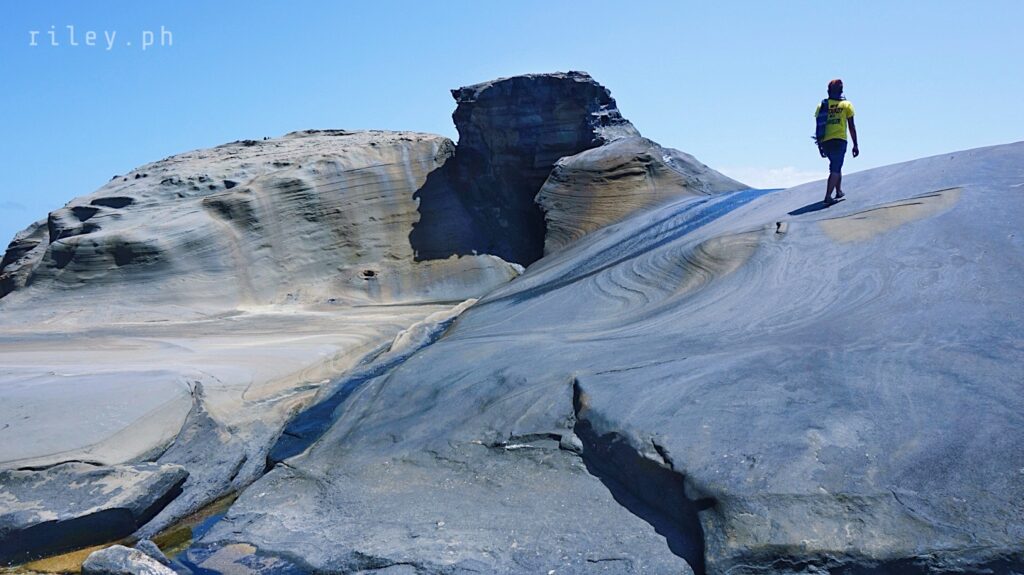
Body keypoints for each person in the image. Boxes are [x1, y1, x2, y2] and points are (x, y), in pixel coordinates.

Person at [815, 79, 859, 205]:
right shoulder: (846, 105)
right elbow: (851, 126)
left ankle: (838, 191)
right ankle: (828, 196)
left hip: (826, 141)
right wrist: (855, 144)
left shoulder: (822, 105)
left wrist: (819, 145)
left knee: (836, 165)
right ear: (841, 90)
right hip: (839, 140)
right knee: (835, 168)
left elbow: (818, 126)